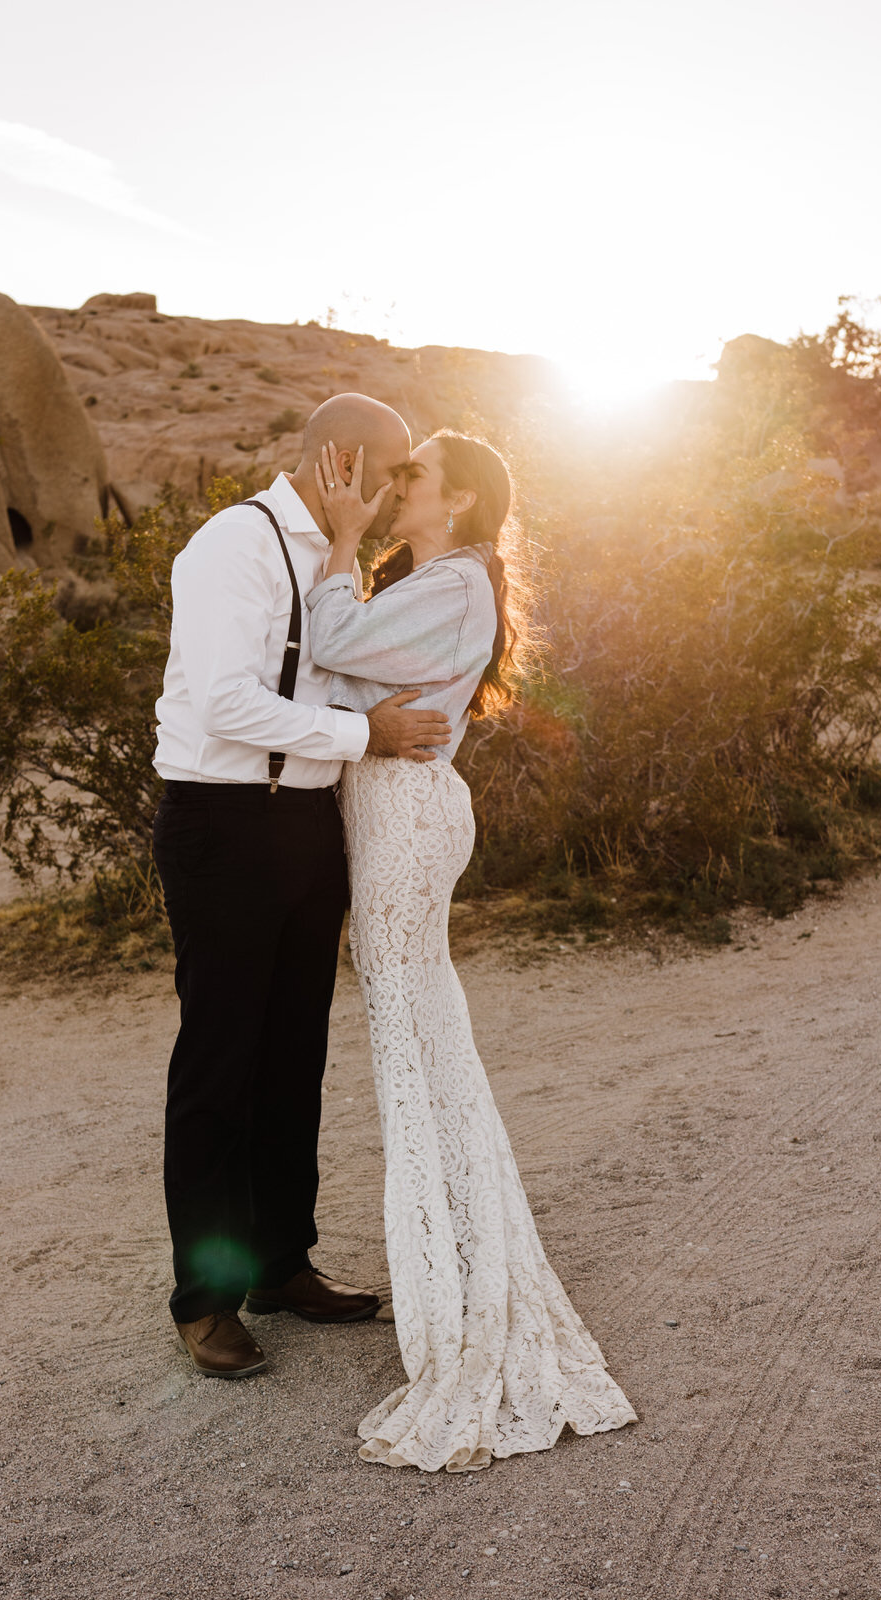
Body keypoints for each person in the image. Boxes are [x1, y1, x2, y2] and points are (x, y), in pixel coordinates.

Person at [306, 429, 638, 1471]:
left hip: (404, 816)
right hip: (396, 808)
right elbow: (357, 675)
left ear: (450, 502)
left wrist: (343, 541)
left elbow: (330, 642)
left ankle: (457, 1288)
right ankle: (451, 1251)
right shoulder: (444, 581)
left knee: (412, 1042)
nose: (395, 486)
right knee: (418, 1035)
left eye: (409, 478)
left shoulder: (451, 580)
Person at [152, 394, 452, 1380]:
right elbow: (227, 703)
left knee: (294, 1060)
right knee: (220, 1066)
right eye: (395, 467)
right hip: (225, 827)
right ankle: (207, 1300)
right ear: (342, 460)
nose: (402, 483)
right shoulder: (230, 547)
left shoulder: (334, 557)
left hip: (305, 830)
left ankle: (283, 1263)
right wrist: (367, 735)